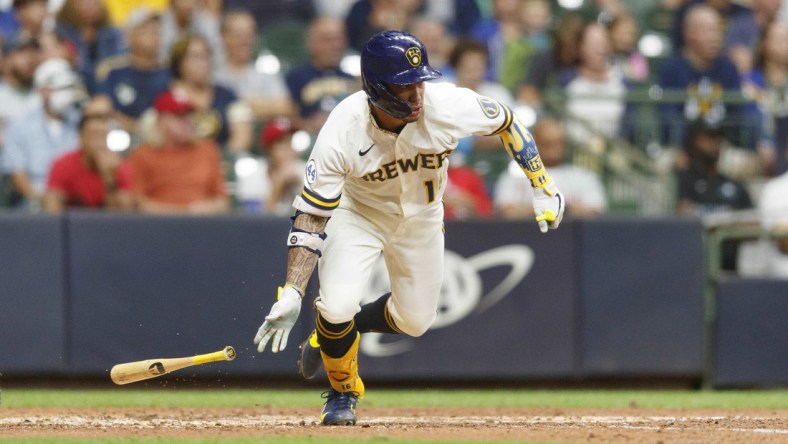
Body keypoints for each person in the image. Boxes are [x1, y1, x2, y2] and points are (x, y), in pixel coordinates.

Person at [252, 30, 564, 426]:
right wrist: (294, 291)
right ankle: (342, 391)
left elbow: (508, 121)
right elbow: (312, 216)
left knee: (416, 320)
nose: (417, 94)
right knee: (336, 305)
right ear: (378, 88)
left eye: (420, 81)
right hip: (358, 214)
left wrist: (542, 184)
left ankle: (332, 333)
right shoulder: (342, 128)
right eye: (404, 86)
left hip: (423, 215)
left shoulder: (447, 103)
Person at [0, 57, 83, 209]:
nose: (67, 94)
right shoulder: (20, 127)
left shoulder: (81, 123)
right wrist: (41, 202)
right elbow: (17, 175)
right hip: (35, 204)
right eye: (60, 88)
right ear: (42, 90)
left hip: (77, 202)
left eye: (69, 88)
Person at [129, 90, 229, 214]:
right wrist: (179, 214)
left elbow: (222, 200)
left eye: (188, 115)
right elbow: (138, 202)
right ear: (161, 121)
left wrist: (204, 209)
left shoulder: (208, 150)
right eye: (178, 116)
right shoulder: (143, 154)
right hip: (157, 225)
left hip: (202, 224)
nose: (186, 121)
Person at [676, 119, 753, 270]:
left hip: (728, 272)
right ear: (693, 141)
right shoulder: (681, 180)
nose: (715, 143)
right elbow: (682, 217)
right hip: (689, 271)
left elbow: (753, 224)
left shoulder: (734, 185)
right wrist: (731, 223)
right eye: (708, 137)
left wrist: (713, 224)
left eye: (718, 138)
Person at [495, 117, 607, 219]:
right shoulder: (513, 176)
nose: (554, 149)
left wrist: (555, 208)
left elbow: (594, 211)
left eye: (559, 143)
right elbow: (507, 211)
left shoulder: (583, 176)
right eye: (548, 143)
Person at [167, 33, 253, 153]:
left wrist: (225, 159)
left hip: (222, 162)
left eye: (206, 56)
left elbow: (242, 136)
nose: (204, 63)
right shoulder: (168, 98)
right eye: (196, 57)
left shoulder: (227, 95)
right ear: (180, 63)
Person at [95, 7, 170, 134]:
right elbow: (103, 106)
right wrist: (136, 129)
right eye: (146, 30)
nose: (154, 35)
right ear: (129, 38)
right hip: (122, 137)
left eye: (157, 31)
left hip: (162, 141)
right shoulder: (112, 71)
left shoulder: (170, 71)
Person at [42, 110, 133, 212]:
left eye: (104, 136)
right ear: (81, 138)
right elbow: (51, 207)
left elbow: (125, 214)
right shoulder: (63, 164)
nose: (100, 143)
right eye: (95, 135)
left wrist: (109, 178)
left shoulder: (118, 166)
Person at [214, 9, 292, 123]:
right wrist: (261, 104)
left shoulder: (266, 70)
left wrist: (240, 104)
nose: (245, 41)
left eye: (249, 35)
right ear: (223, 37)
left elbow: (285, 107)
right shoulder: (213, 72)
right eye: (238, 35)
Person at [285, 17, 358, 134]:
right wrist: (308, 125)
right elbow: (287, 118)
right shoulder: (295, 78)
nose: (336, 46)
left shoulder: (356, 79)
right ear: (311, 43)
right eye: (328, 40)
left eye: (340, 39)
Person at [54, 0, 127, 94]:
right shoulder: (59, 33)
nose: (91, 6)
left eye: (95, 2)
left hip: (109, 90)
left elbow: (116, 64)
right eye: (85, 2)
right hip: (71, 89)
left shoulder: (112, 33)